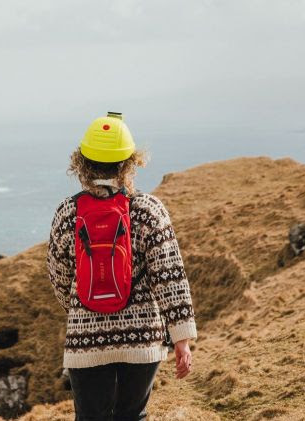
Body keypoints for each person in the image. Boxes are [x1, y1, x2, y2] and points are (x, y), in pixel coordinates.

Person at [46, 112, 197, 421]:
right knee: (132, 416)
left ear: (82, 163)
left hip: (86, 341)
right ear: (130, 162)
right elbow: (169, 277)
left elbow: (58, 276)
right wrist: (181, 338)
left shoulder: (67, 212)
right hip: (142, 340)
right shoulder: (149, 210)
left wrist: (80, 305)